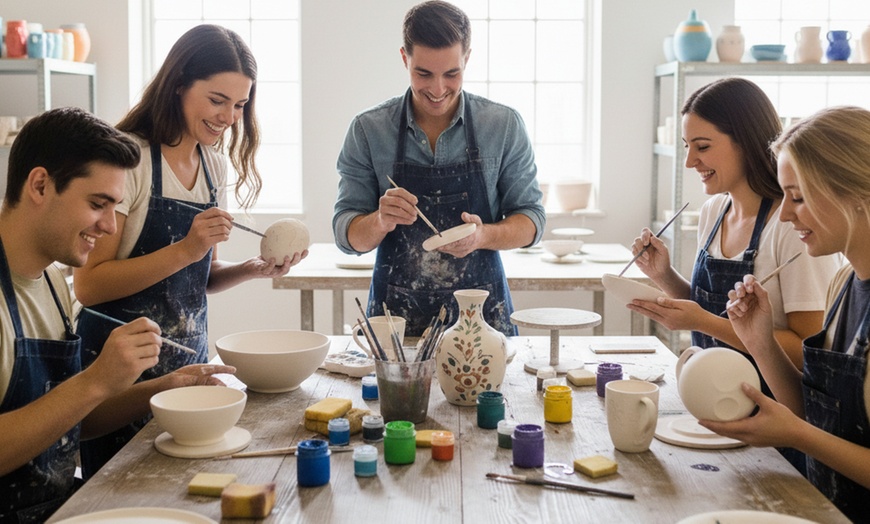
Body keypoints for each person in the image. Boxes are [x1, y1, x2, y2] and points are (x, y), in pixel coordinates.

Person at [72, 24, 305, 479]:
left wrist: (253, 268)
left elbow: (203, 276)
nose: (229, 117)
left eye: (239, 105)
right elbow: (90, 284)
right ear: (178, 85)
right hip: (121, 379)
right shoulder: (130, 161)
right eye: (217, 100)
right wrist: (186, 248)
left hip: (186, 364)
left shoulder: (213, 165)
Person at [0, 107, 235, 522]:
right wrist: (94, 381)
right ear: (40, 185)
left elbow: (66, 422)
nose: (111, 226)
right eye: (98, 204)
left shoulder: (53, 284)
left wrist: (162, 387)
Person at [333, 1, 545, 336]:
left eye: (451, 74)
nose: (437, 89)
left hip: (483, 324)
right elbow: (347, 237)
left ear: (467, 59)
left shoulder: (502, 125)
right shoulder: (368, 130)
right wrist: (379, 220)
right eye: (423, 74)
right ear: (405, 59)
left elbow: (532, 221)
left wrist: (483, 236)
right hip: (396, 327)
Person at [704, 106, 870, 522]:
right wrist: (758, 340)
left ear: (858, 196)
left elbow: (805, 430)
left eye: (798, 197)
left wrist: (797, 436)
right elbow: (812, 415)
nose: (786, 213)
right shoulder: (844, 283)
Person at [628, 78, 840, 370]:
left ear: (746, 141)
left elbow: (809, 350)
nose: (690, 161)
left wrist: (704, 322)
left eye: (702, 146)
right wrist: (664, 276)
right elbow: (713, 312)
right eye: (687, 146)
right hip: (711, 395)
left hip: (772, 408)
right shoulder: (714, 211)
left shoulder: (793, 227)